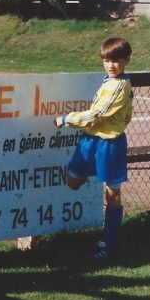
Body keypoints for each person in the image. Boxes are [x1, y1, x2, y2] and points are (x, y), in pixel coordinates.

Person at [54, 37, 133, 259]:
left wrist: (66, 119)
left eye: (116, 60)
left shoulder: (120, 85)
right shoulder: (108, 80)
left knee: (113, 195)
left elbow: (98, 114)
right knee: (73, 180)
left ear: (126, 60)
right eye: (107, 60)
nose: (111, 65)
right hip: (90, 141)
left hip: (110, 144)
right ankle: (95, 174)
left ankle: (107, 245)